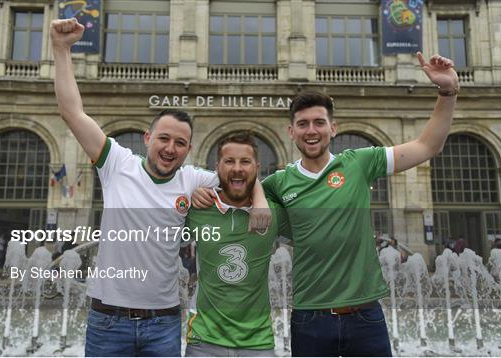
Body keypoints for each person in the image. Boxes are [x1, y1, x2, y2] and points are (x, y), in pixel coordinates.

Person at [50, 18, 270, 356]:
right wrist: (61, 49)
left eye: (180, 143)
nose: (170, 149)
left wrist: (260, 202)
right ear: (147, 138)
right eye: (164, 139)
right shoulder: (116, 164)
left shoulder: (192, 178)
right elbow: (72, 113)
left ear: (189, 149)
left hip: (164, 323)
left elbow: (243, 178)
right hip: (109, 320)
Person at [261, 53, 459, 356]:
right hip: (309, 318)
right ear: (291, 131)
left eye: (318, 122)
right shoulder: (277, 183)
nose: (311, 130)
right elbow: (234, 197)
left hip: (366, 315)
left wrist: (447, 92)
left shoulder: (360, 162)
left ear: (333, 127)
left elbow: (427, 145)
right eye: (302, 124)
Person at [184, 132, 288, 356]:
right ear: (217, 166)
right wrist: (191, 192)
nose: (237, 168)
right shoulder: (198, 209)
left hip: (258, 343)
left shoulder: (273, 213)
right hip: (203, 342)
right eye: (229, 161)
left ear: (257, 167)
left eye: (245, 162)